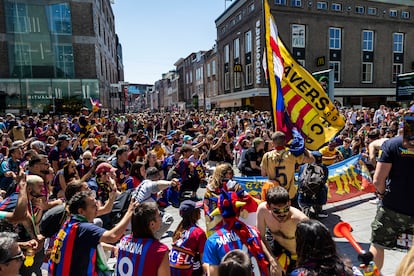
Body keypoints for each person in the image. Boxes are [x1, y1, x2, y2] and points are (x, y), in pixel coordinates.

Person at [48, 190, 137, 275]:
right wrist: (129, 212)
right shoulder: (84, 228)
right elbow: (112, 236)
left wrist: (113, 248)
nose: (97, 208)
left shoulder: (69, 224)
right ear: (81, 211)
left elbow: (87, 243)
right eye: (94, 206)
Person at [368, 113, 414, 272]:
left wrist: (381, 194)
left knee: (377, 244)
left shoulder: (392, 145)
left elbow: (378, 180)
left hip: (392, 207)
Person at [203, 190, 281, 276]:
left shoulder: (213, 241)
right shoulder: (254, 232)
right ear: (240, 210)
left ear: (219, 212)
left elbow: (213, 273)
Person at [256, 186, 308, 274]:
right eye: (276, 211)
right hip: (278, 249)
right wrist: (272, 260)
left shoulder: (300, 219)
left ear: (290, 203)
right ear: (268, 207)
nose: (282, 214)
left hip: (299, 256)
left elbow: (317, 244)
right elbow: (260, 237)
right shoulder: (263, 211)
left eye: (286, 209)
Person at [116, 202, 170, 276]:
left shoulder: (124, 241)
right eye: (159, 215)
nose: (161, 218)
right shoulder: (160, 250)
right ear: (152, 224)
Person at [261, 131, 314, 202]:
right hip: (289, 194)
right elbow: (311, 160)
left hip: (274, 194)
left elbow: (263, 174)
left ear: (272, 143)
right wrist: (302, 148)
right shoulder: (292, 154)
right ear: (285, 142)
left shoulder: (266, 156)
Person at [132, 167, 179, 239]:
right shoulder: (149, 184)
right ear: (156, 177)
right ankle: (153, 239)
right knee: (168, 218)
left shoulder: (142, 184)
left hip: (135, 215)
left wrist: (157, 197)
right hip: (140, 217)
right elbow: (156, 185)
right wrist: (170, 183)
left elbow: (145, 200)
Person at [170, 200, 207, 276]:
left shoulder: (179, 229)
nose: (200, 211)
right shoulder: (199, 232)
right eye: (198, 210)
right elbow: (203, 257)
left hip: (172, 266)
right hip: (187, 268)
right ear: (194, 214)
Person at [297, 151, 329, 218]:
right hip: (317, 195)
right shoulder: (324, 168)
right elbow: (324, 180)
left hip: (304, 195)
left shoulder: (303, 167)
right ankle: (319, 210)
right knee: (324, 188)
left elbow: (299, 179)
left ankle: (305, 210)